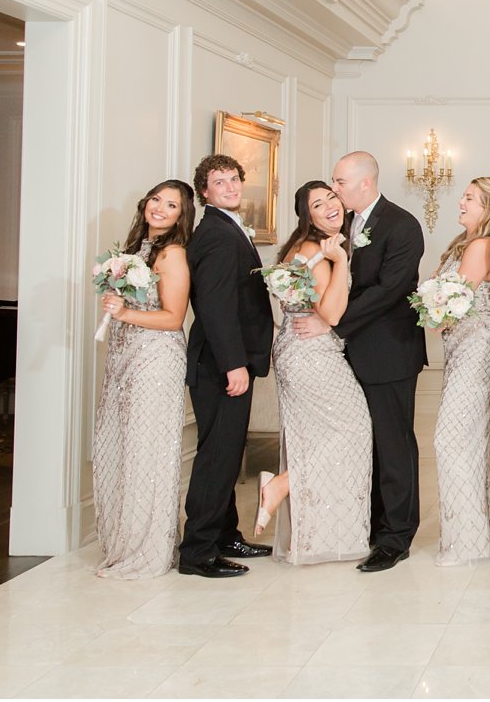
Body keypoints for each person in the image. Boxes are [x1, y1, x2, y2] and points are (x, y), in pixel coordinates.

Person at [294, 151, 427, 573]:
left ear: (364, 182)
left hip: (389, 351)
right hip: (348, 353)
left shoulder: (402, 224)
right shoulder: (343, 225)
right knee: (361, 443)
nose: (334, 190)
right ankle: (368, 524)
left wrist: (331, 323)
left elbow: (390, 289)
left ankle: (396, 535)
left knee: (393, 443)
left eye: (339, 182)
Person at [254, 181, 372, 565]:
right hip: (311, 353)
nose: (330, 206)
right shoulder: (315, 251)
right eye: (318, 204)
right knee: (353, 428)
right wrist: (340, 262)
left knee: (314, 437)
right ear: (308, 216)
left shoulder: (302, 246)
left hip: (296, 348)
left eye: (332, 198)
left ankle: (315, 538)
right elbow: (332, 314)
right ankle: (281, 484)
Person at [177, 155, 274, 578]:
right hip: (220, 364)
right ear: (205, 191)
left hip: (226, 361)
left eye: (234, 178)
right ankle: (198, 551)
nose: (231, 186)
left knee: (227, 452)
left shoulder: (227, 227)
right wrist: (233, 364)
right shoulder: (216, 235)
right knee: (217, 456)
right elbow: (215, 308)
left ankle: (225, 535)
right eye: (220, 181)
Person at [93, 179, 195, 578]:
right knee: (120, 447)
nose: (160, 208)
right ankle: (123, 541)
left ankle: (148, 550)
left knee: (146, 452)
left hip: (156, 362)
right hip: (124, 356)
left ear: (180, 216)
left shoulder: (172, 254)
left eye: (171, 205)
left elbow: (173, 318)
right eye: (157, 199)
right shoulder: (135, 249)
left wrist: (124, 313)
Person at [431, 178, 490, 566]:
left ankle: (468, 540)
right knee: (469, 439)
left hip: (476, 348)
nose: (461, 202)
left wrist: (431, 312)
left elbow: (452, 303)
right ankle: (472, 535)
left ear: (488, 209)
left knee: (452, 440)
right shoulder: (465, 242)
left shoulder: (482, 245)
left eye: (470, 198)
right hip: (462, 348)